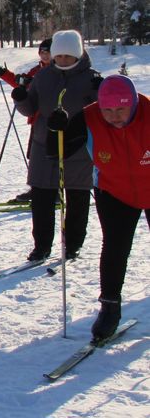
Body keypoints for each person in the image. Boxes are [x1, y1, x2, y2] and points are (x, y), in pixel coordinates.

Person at [45, 75, 148, 340]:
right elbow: (57, 152)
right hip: (114, 190)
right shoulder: (89, 117)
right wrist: (56, 128)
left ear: (134, 103)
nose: (113, 116)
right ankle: (109, 308)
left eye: (121, 109)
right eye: (108, 110)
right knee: (115, 247)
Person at [12, 29, 101, 262]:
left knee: (77, 198)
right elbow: (31, 109)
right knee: (41, 198)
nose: (62, 61)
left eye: (67, 57)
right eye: (58, 56)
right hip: (44, 143)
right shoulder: (44, 76)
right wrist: (21, 99)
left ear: (78, 55)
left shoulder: (91, 78)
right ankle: (41, 246)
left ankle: (72, 244)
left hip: (78, 145)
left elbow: (101, 112)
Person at [0, 38, 53, 203]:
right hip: (36, 120)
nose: (45, 56)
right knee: (34, 155)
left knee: (52, 155)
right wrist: (2, 73)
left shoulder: (58, 71)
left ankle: (55, 191)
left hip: (53, 120)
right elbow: (20, 83)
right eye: (42, 52)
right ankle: (36, 189)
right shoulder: (37, 70)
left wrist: (31, 84)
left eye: (48, 52)